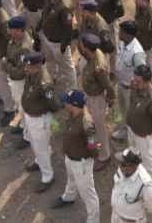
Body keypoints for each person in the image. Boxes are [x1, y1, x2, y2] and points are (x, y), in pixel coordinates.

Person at [52, 90, 100, 222]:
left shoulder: (86, 123)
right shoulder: (73, 114)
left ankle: (94, 220)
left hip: (81, 163)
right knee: (71, 179)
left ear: (73, 104)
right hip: (71, 157)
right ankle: (69, 197)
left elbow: (92, 146)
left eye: (66, 101)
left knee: (88, 194)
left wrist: (88, 160)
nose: (64, 103)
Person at [19, 51, 58, 192]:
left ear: (37, 66)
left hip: (40, 120)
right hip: (31, 116)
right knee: (34, 143)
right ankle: (38, 161)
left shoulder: (44, 83)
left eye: (28, 66)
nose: (25, 69)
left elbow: (53, 104)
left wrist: (49, 119)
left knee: (41, 149)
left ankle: (48, 176)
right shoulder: (32, 75)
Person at [76, 32, 114, 169]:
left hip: (97, 99)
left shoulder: (98, 67)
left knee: (100, 128)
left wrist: (110, 100)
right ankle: (93, 147)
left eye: (82, 45)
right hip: (89, 96)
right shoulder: (91, 54)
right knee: (90, 124)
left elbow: (108, 86)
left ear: (86, 47)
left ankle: (105, 156)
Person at [126, 64, 152, 182]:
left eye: (138, 81)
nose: (134, 83)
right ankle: (136, 176)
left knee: (149, 164)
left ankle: (149, 186)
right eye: (134, 79)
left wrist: (148, 133)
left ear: (147, 82)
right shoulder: (135, 86)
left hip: (143, 136)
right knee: (133, 153)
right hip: (132, 129)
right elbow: (132, 101)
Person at [38, 0, 76, 92]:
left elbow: (68, 29)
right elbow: (44, 15)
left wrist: (64, 45)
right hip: (47, 39)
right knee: (50, 62)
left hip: (58, 43)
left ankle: (72, 91)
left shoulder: (64, 7)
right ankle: (53, 80)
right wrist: (38, 27)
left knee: (67, 69)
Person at [113, 21, 147, 141]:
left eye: (121, 31)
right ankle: (124, 128)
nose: (119, 33)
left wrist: (137, 91)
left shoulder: (137, 53)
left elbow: (143, 74)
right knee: (124, 110)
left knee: (131, 114)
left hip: (130, 90)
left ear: (128, 34)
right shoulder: (123, 43)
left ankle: (131, 138)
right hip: (121, 84)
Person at [110, 149, 152, 223]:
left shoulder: (144, 184)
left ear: (134, 165)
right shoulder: (122, 170)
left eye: (124, 165)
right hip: (115, 217)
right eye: (121, 164)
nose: (121, 167)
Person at [4, 15, 33, 133]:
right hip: (14, 79)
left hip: (21, 81)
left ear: (18, 30)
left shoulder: (24, 47)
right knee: (18, 104)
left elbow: (20, 73)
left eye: (11, 29)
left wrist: (6, 65)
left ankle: (27, 134)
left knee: (23, 106)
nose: (9, 31)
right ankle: (22, 126)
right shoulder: (15, 39)